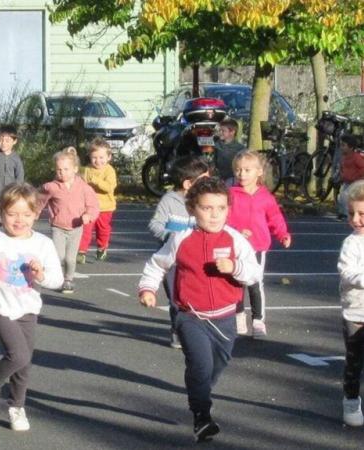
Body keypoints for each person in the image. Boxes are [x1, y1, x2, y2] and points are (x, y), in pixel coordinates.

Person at [138, 176, 262, 443]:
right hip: (190, 315)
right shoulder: (181, 239)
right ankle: (202, 417)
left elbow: (253, 274)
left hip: (226, 317)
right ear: (192, 209)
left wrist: (235, 268)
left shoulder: (235, 240)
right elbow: (157, 264)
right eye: (207, 208)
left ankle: (200, 391)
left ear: (228, 209)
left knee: (217, 365)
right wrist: (148, 288)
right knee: (200, 365)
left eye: (221, 208)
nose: (214, 214)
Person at [0, 183, 63, 431]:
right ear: (1, 213)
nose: (19, 220)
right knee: (18, 354)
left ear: (36, 214)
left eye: (26, 214)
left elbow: (57, 280)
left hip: (28, 308)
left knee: (25, 362)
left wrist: (41, 274)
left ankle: (16, 407)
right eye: (12, 214)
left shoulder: (43, 244)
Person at [147, 156, 210, 349]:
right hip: (172, 260)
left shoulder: (205, 202)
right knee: (176, 298)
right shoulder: (170, 200)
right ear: (188, 183)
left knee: (196, 296)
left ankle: (197, 328)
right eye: (204, 180)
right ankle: (177, 329)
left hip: (195, 259)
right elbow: (155, 224)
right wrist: (171, 236)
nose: (209, 184)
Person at [227, 150, 291, 337]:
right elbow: (225, 218)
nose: (242, 174)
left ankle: (258, 320)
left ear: (259, 172)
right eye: (238, 170)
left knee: (255, 282)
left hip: (257, 247)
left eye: (247, 170)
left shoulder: (265, 197)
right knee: (235, 283)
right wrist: (236, 231)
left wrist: (283, 234)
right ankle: (238, 317)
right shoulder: (231, 194)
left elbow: (275, 218)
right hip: (236, 246)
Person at [39, 147, 99, 294]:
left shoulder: (83, 187)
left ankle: (68, 280)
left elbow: (93, 205)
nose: (62, 173)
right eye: (59, 170)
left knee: (71, 259)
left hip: (76, 228)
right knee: (59, 256)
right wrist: (33, 213)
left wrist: (88, 215)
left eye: (66, 169)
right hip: (58, 227)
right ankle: (57, 278)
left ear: (75, 169)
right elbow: (39, 200)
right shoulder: (52, 187)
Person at [338, 180, 364, 427]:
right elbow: (347, 272)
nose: (356, 219)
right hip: (356, 313)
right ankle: (351, 400)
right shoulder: (352, 243)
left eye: (362, 214)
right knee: (355, 360)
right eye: (352, 214)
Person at [77, 138, 117, 264]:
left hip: (105, 207)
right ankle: (81, 251)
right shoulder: (87, 169)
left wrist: (97, 181)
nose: (98, 161)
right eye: (94, 157)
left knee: (103, 229)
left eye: (101, 157)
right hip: (89, 207)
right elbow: (81, 184)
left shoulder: (109, 170)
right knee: (85, 229)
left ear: (108, 157)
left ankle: (102, 247)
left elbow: (109, 187)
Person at [337, 135, 364, 220]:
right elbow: (342, 167)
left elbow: (363, 167)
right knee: (340, 197)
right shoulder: (344, 157)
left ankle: (348, 215)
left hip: (356, 182)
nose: (341, 147)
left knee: (346, 197)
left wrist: (355, 177)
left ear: (351, 147)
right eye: (341, 145)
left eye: (343, 145)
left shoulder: (356, 157)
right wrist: (342, 175)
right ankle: (343, 213)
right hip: (347, 182)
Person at [214, 118, 245, 183]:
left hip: (233, 180)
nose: (220, 132)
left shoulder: (240, 149)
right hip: (218, 179)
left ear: (232, 132)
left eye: (223, 131)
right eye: (220, 130)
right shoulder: (216, 145)